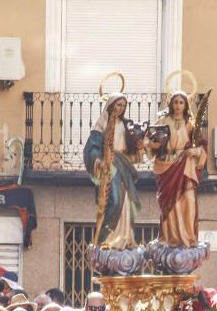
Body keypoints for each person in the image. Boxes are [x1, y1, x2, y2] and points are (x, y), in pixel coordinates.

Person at [83, 93, 145, 249]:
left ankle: (125, 238)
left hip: (123, 164)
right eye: (118, 105)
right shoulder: (102, 123)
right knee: (115, 200)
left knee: (127, 203)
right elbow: (92, 148)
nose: (121, 108)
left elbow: (131, 150)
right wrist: (100, 162)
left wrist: (138, 147)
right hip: (110, 165)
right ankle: (106, 238)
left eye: (123, 106)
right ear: (111, 106)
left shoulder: (126, 125)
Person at [149, 91, 207, 247]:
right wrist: (151, 145)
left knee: (188, 200)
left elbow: (201, 145)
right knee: (169, 203)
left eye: (181, 103)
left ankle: (188, 237)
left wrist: (197, 151)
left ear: (185, 105)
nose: (178, 106)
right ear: (171, 104)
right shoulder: (163, 120)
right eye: (175, 102)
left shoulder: (190, 123)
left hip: (184, 165)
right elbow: (152, 139)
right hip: (166, 165)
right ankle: (170, 238)